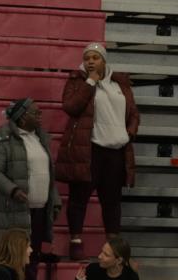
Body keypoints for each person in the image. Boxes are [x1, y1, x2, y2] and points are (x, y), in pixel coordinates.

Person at [54, 43, 139, 261]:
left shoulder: (120, 83)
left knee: (112, 202)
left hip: (116, 151)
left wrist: (129, 132)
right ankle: (76, 242)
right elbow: (71, 107)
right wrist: (90, 82)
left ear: (104, 60)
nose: (91, 61)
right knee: (79, 199)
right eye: (87, 58)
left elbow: (133, 113)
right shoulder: (77, 81)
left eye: (95, 57)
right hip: (90, 149)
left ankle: (113, 246)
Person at [0, 97, 61, 280]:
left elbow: (48, 173)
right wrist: (13, 190)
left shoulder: (41, 138)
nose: (40, 116)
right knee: (15, 251)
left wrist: (54, 200)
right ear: (22, 117)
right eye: (36, 113)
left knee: (33, 251)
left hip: (39, 208)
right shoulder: (4, 138)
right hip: (15, 208)